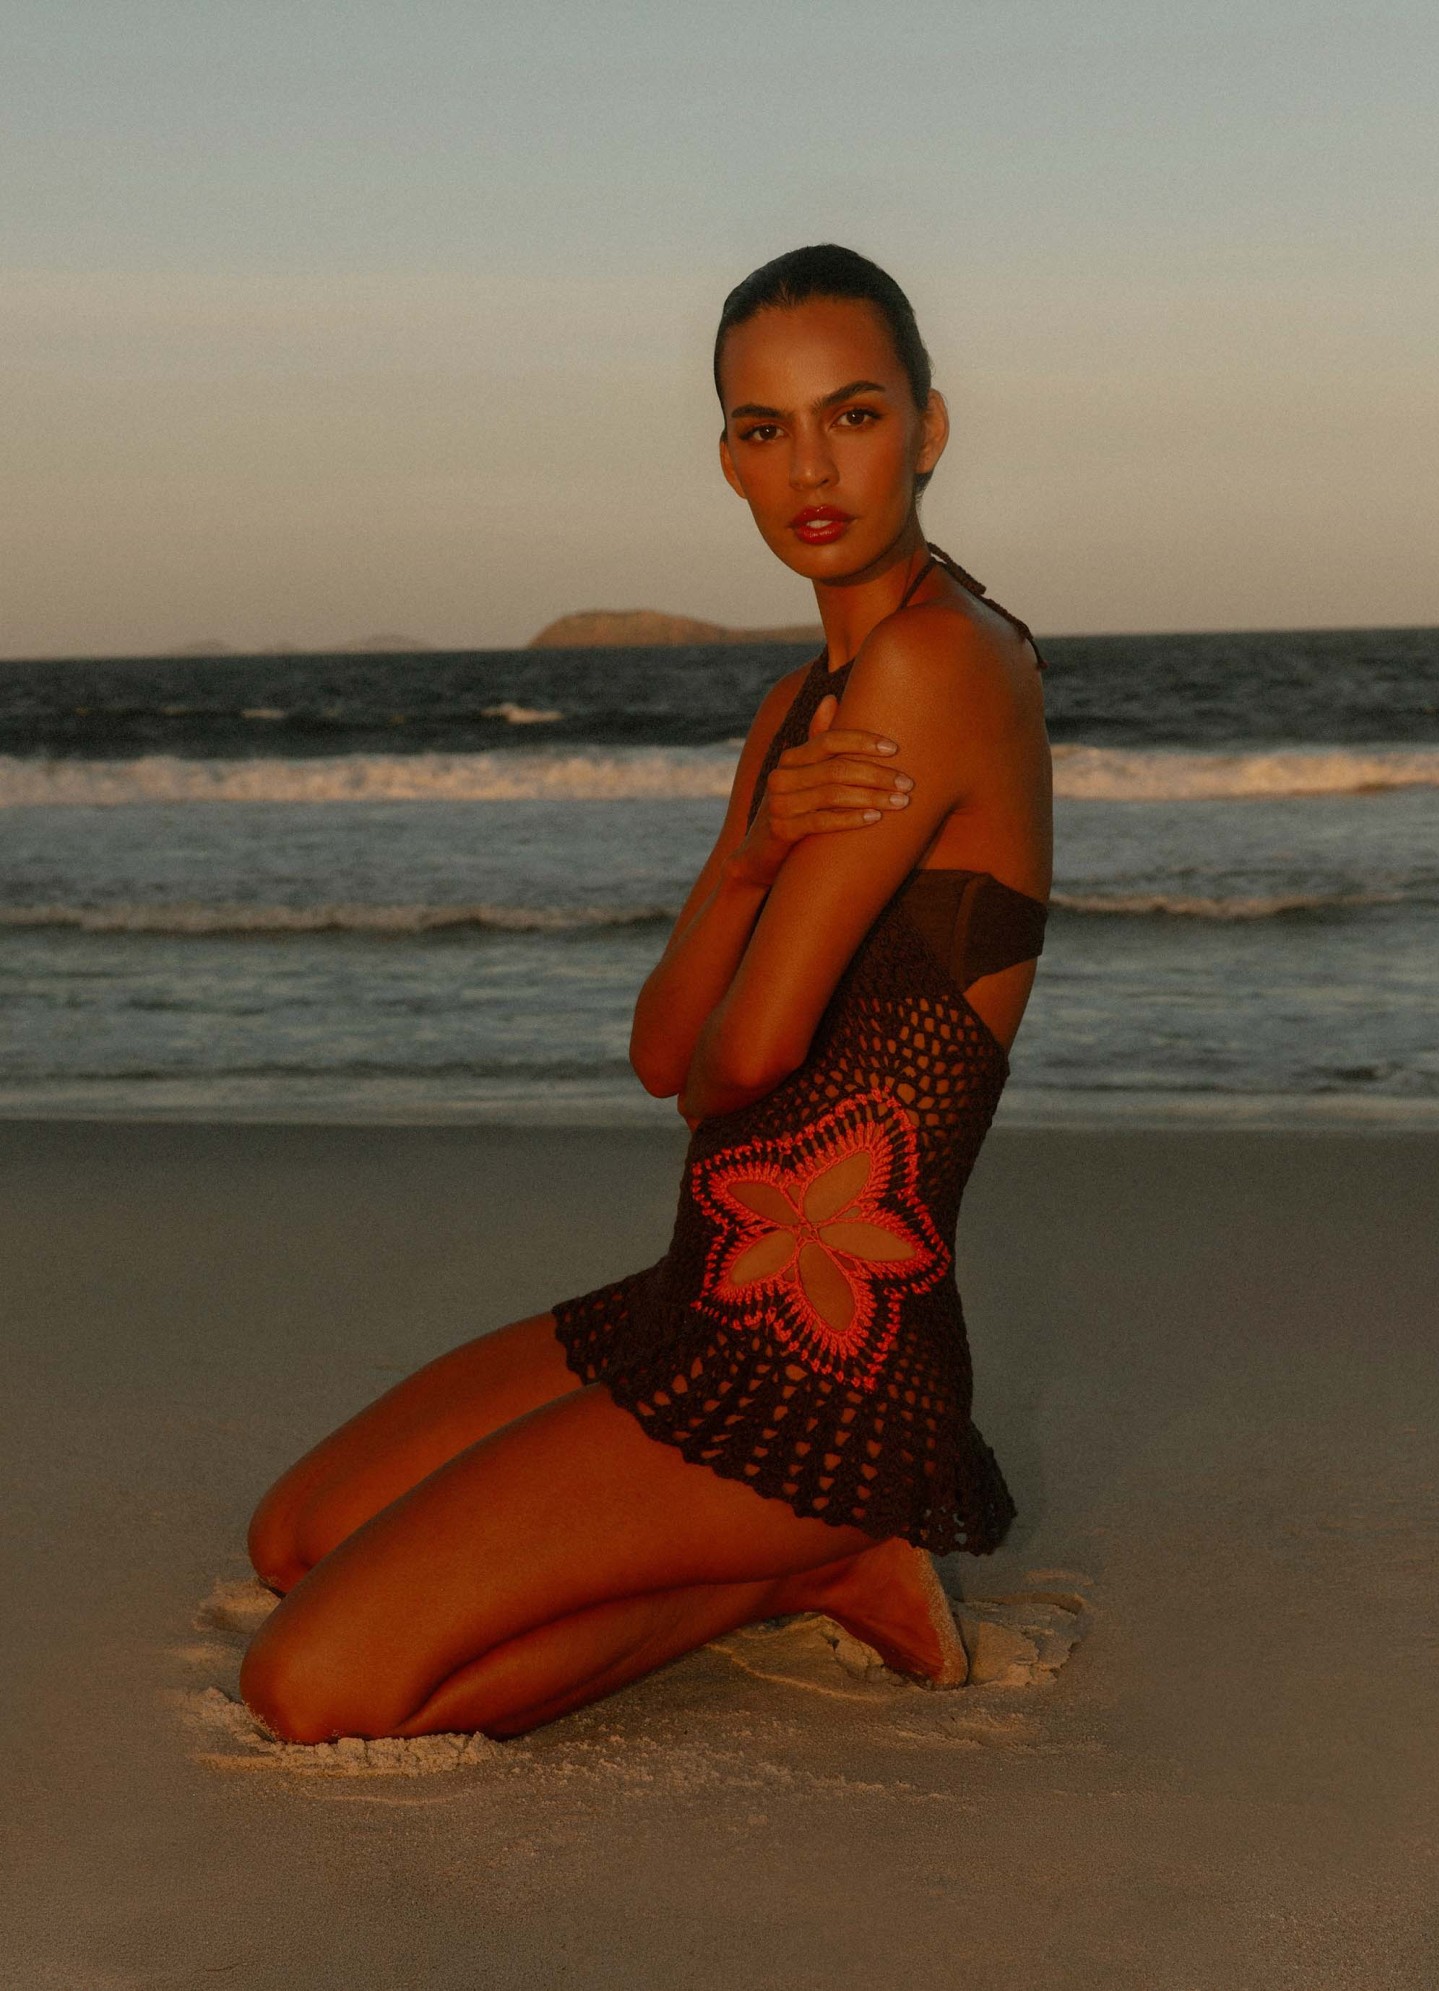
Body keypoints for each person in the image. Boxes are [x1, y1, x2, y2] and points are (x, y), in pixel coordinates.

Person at [240, 244, 1053, 1744]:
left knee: (311, 1687)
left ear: (928, 429)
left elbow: (737, 1064)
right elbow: (662, 1053)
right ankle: (794, 1556)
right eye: (763, 429)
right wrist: (747, 863)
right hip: (698, 1297)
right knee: (293, 1540)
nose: (811, 468)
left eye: (854, 415)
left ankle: (814, 1555)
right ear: (728, 460)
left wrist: (723, 1044)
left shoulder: (940, 663)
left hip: (825, 1370)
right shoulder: (792, 708)